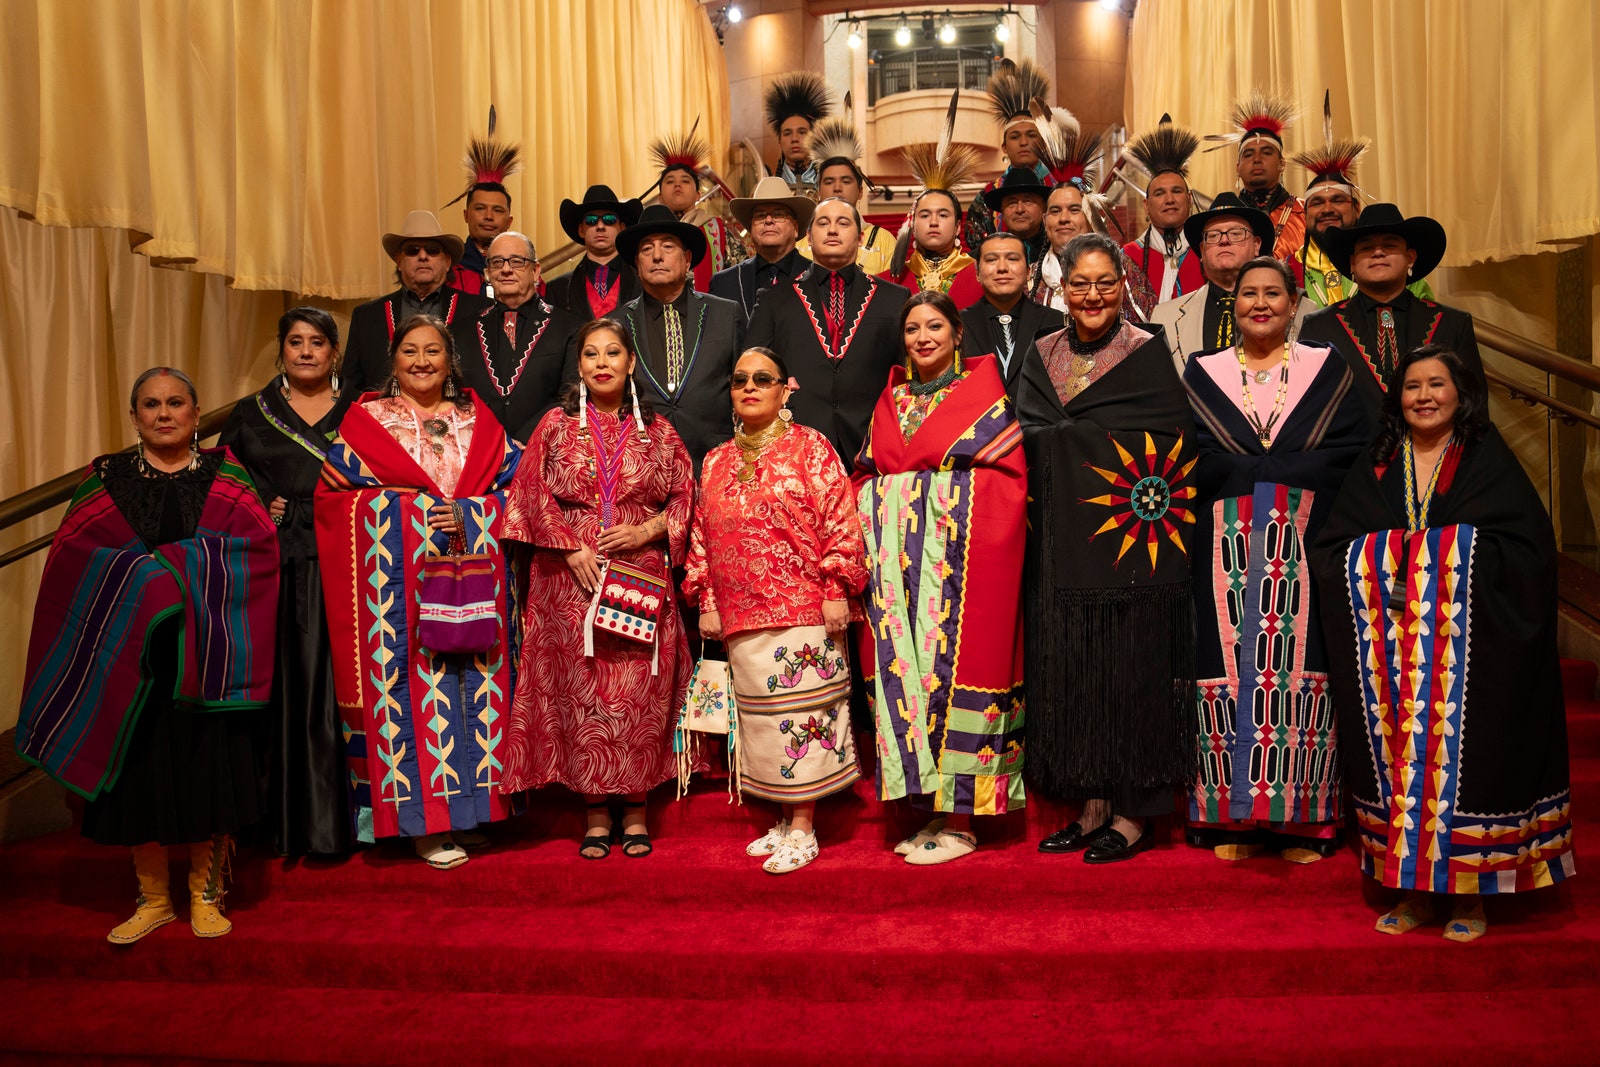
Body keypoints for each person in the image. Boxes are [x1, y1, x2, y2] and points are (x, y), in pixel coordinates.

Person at [1312, 344, 1575, 942]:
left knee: (1468, 771)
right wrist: (1384, 567)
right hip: (1391, 654)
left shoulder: (1487, 460)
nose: (1424, 396)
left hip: (1470, 653)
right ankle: (1411, 891)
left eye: (1437, 384)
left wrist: (1434, 563)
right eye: (1412, 386)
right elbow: (1331, 549)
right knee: (1400, 771)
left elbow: (1528, 552)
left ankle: (1469, 897)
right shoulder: (1376, 463)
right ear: (1396, 399)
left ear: (1461, 393)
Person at [18, 368, 277, 943]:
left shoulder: (225, 474)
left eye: (176, 403)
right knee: (139, 780)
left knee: (204, 772)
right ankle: (153, 897)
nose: (164, 413)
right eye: (151, 405)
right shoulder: (106, 476)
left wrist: (173, 571)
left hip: (206, 654)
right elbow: (74, 559)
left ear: (195, 411)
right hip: (129, 661)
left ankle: (205, 895)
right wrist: (143, 580)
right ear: (134, 416)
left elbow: (255, 552)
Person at [1015, 233, 1198, 865]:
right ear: (1060, 291)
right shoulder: (1040, 353)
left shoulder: (1147, 355)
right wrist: (1068, 440)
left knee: (1129, 676)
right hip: (1061, 547)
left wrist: (1072, 439)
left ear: (1124, 287)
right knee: (1073, 673)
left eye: (1105, 283)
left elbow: (1171, 442)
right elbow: (1023, 432)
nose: (1092, 296)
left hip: (1129, 551)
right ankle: (1090, 805)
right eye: (1079, 285)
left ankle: (1134, 813)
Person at [315, 315, 523, 870]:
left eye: (433, 351)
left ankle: (472, 811)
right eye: (410, 351)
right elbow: (335, 503)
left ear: (451, 361)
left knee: (475, 683)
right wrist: (408, 513)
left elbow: (518, 492)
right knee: (412, 691)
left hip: (474, 576)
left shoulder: (477, 421)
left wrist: (470, 513)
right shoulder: (366, 423)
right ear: (393, 360)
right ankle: (421, 824)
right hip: (396, 591)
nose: (422, 361)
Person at [1182, 257, 1371, 863]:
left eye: (1272, 294)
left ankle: (1301, 820)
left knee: (1301, 674)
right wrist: (1252, 472)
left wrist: (1271, 472)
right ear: (1231, 304)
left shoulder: (1326, 369)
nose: (1259, 304)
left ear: (1294, 303)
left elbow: (1350, 453)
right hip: (1223, 544)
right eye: (1247, 294)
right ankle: (1231, 819)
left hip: (1305, 542)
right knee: (1229, 675)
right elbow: (1188, 453)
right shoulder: (1202, 372)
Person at [501, 319, 697, 859]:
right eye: (592, 354)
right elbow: (528, 493)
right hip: (569, 581)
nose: (603, 362)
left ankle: (635, 808)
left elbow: (684, 499)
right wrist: (569, 545)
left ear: (632, 363)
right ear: (580, 366)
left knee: (639, 693)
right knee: (583, 690)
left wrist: (645, 530)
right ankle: (592, 812)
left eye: (614, 352)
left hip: (641, 576)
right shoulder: (555, 426)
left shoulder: (660, 431)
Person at [853, 291, 1027, 864]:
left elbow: (1007, 483)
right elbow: (863, 478)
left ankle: (963, 821)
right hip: (899, 575)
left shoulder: (982, 397)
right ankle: (929, 809)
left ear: (957, 333)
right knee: (912, 682)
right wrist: (887, 495)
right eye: (912, 329)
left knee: (961, 678)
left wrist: (915, 493)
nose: (922, 337)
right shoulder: (889, 399)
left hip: (965, 571)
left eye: (934, 326)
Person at [684, 347, 868, 874]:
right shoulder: (717, 459)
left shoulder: (811, 448)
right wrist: (709, 600)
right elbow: (704, 537)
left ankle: (805, 827)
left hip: (805, 607)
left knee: (802, 719)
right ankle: (785, 820)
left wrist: (837, 586)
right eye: (739, 378)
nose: (749, 386)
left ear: (786, 388)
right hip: (741, 616)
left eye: (762, 378)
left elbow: (840, 518)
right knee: (763, 725)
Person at [218, 308, 352, 857]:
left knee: (336, 688)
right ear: (281, 349)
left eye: (317, 342)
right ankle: (272, 823)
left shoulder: (363, 412)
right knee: (281, 688)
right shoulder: (251, 413)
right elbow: (223, 485)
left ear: (334, 353)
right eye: (294, 341)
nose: (305, 351)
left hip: (345, 563)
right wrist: (256, 504)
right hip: (274, 567)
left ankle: (335, 824)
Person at [744, 197, 910, 472]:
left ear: (859, 238)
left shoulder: (894, 299)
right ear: (808, 237)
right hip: (794, 450)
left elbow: (906, 377)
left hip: (873, 448)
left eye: (843, 223)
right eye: (823, 223)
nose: (832, 230)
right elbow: (751, 369)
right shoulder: (775, 299)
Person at [1300, 203, 1484, 411]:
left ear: (1410, 258)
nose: (1378, 252)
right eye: (1366, 247)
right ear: (1352, 263)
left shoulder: (1453, 324)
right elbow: (1308, 410)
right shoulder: (1320, 326)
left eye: (1390, 245)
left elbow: (1474, 407)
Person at [614, 204, 746, 473]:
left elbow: (746, 388)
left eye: (668, 246)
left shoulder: (726, 313)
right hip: (641, 473)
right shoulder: (615, 324)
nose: (657, 256)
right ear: (637, 265)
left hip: (718, 468)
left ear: (687, 260)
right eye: (647, 249)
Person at [1148, 193, 1310, 372]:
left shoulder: (1301, 308)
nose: (1224, 240)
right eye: (1213, 235)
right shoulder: (1165, 317)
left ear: (1256, 245)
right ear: (1202, 250)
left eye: (1236, 233)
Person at [341, 210, 490, 400]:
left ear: (447, 262)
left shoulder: (480, 310)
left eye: (432, 250)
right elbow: (352, 387)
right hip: (384, 424)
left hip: (460, 419)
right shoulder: (367, 316)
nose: (422, 256)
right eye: (413, 250)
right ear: (399, 261)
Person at [452, 230, 580, 444]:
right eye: (497, 262)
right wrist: (499, 444)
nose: (506, 269)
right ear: (487, 274)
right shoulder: (460, 331)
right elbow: (456, 399)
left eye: (517, 261)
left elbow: (571, 397)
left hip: (546, 450)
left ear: (536, 270)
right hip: (480, 450)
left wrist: (526, 441)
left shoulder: (569, 327)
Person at [879, 124, 981, 306]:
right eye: (925, 216)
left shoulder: (981, 276)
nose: (933, 222)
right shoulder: (887, 282)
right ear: (913, 226)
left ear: (958, 227)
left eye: (943, 215)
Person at [965, 58, 1055, 253]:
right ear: (1004, 146)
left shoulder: (1060, 189)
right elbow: (980, 253)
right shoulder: (987, 197)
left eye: (1032, 135)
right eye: (1015, 136)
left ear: (1043, 143)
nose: (1024, 142)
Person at [962, 231, 1064, 399]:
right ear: (977, 273)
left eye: (1012, 259)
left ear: (1029, 271)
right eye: (992, 260)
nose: (1002, 268)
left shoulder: (1054, 321)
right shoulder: (959, 325)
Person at [1121, 115, 1205, 316]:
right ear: (1146, 205)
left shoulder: (1207, 251)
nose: (1169, 199)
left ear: (1189, 199)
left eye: (1176, 191)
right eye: (1159, 193)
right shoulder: (1127, 257)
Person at [1214, 89, 1305, 262]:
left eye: (1266, 152)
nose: (1257, 159)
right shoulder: (1220, 219)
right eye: (1248, 154)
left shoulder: (1305, 213)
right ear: (1237, 168)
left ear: (1282, 164)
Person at [796, 118, 895, 275]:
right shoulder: (800, 245)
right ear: (818, 192)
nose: (837, 188)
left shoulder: (884, 240)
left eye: (846, 181)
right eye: (829, 182)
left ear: (860, 191)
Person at [650, 127, 744, 292]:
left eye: (685, 181)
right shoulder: (649, 232)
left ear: (698, 195)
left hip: (710, 314)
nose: (677, 185)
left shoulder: (718, 230)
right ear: (660, 197)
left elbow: (740, 275)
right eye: (670, 181)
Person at [710, 176, 814, 319]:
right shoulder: (724, 283)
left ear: (795, 227)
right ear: (750, 228)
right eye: (760, 215)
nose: (768, 220)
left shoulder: (818, 279)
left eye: (778, 214)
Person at [542, 186, 644, 321]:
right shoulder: (557, 289)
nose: (600, 226)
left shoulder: (644, 279)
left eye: (609, 219)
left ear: (622, 227)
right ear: (581, 230)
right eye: (591, 220)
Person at [444, 135, 521, 296]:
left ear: (509, 221)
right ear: (466, 215)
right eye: (480, 208)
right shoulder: (447, 272)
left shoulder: (525, 271)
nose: (488, 216)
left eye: (497, 210)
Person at [764, 71, 833, 194]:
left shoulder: (830, 186)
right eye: (787, 133)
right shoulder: (766, 188)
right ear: (779, 140)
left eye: (802, 132)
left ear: (813, 138)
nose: (794, 138)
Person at [981, 167, 1050, 269]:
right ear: (1002, 210)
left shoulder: (1058, 251)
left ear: (1043, 207)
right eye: (1012, 203)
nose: (1020, 209)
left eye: (1028, 201)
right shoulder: (985, 256)